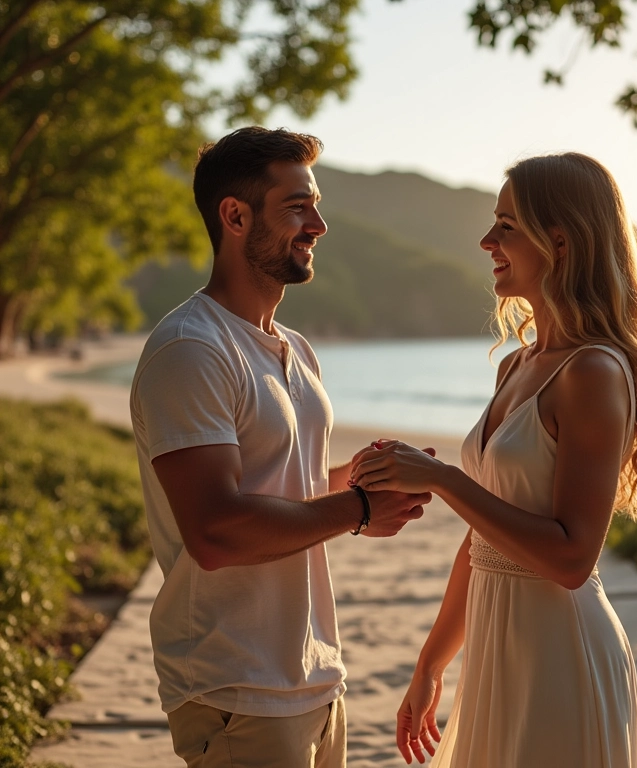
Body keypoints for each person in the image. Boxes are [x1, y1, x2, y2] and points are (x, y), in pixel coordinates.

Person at [350, 152, 637, 767]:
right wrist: (430, 664)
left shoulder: (594, 372)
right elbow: (483, 541)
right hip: (497, 651)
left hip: (560, 654)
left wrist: (442, 478)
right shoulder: (515, 366)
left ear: (560, 241)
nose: (486, 240)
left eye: (506, 226)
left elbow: (573, 558)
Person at [129, 126, 432, 768]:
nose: (318, 225)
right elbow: (215, 531)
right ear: (235, 217)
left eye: (315, 205)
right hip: (237, 687)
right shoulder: (192, 349)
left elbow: (279, 484)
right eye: (297, 206)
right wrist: (359, 512)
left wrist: (364, 475)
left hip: (314, 675)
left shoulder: (294, 349)